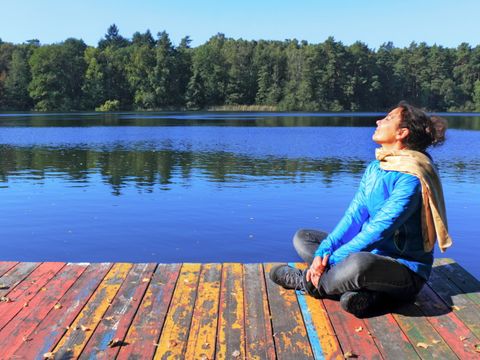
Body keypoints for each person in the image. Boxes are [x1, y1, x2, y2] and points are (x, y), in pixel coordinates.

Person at [270, 101, 453, 317]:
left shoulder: (413, 177)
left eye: (387, 119)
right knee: (304, 237)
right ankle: (361, 294)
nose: (378, 121)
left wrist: (328, 262)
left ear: (402, 133)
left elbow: (379, 230)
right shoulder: (377, 167)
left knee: (359, 263)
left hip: (403, 269)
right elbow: (354, 216)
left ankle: (307, 282)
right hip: (368, 252)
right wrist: (324, 251)